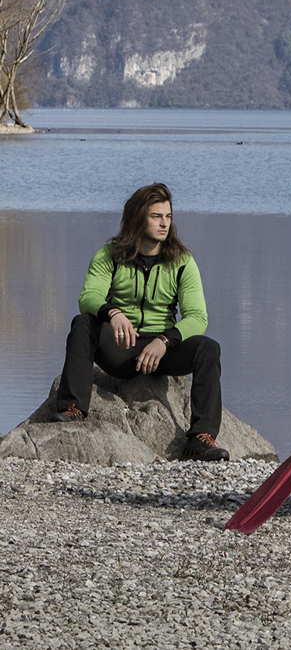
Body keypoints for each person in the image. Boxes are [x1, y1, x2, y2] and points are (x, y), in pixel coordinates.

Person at [51, 183, 228, 462]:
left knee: (208, 348)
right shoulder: (109, 255)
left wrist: (165, 340)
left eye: (168, 216)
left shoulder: (182, 262)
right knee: (83, 323)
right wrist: (112, 313)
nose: (164, 223)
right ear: (137, 218)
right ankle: (73, 408)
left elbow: (197, 317)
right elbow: (88, 297)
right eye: (156, 216)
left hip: (163, 354)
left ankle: (201, 438)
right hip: (120, 349)